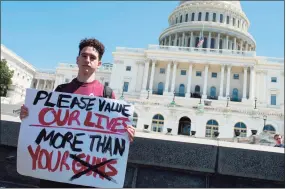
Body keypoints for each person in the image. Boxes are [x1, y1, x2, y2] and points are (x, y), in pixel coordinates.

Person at [20, 38, 135, 188]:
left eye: (92, 57)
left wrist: (126, 134)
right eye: (84, 55)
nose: (87, 60)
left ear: (99, 64)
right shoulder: (61, 90)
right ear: (77, 59)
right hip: (56, 173)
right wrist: (28, 116)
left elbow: (113, 134)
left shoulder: (106, 94)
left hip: (87, 177)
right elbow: (46, 124)